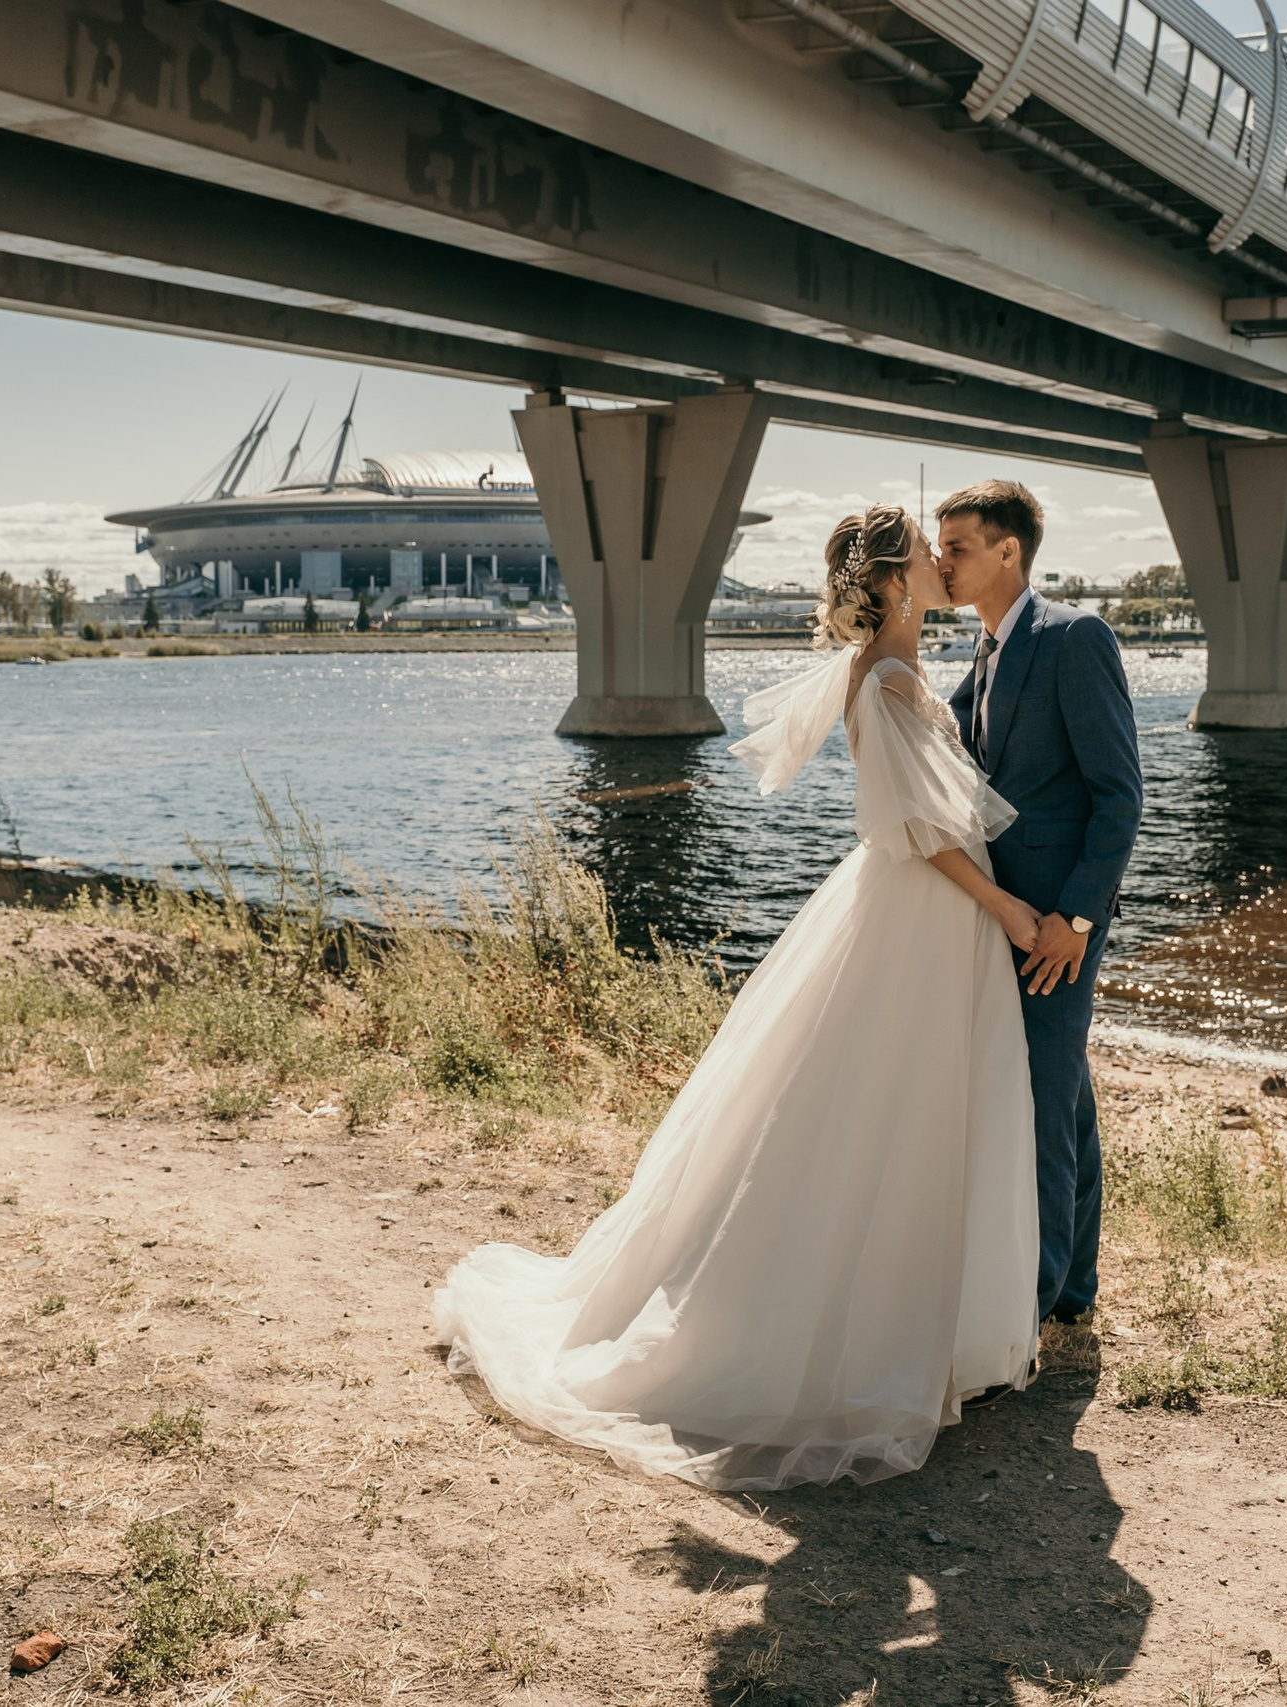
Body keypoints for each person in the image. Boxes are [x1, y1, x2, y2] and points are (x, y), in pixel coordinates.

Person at [435, 504, 1043, 1489]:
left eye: (946, 552)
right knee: (881, 1111)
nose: (941, 563)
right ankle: (833, 1339)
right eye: (925, 556)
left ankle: (929, 1330)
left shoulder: (905, 669)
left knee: (916, 1110)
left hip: (929, 918)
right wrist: (1008, 908)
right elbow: (920, 832)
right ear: (891, 582)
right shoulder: (883, 677)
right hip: (922, 910)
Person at [936, 480, 1143, 1327]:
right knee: (1065, 1102)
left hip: (1055, 925)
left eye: (957, 548)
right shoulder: (984, 654)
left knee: (1039, 1107)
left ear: (1008, 551)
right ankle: (1074, 1289)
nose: (943, 563)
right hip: (1009, 919)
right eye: (941, 549)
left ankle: (1028, 1310)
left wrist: (1076, 921)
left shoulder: (1074, 638)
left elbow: (1118, 796)